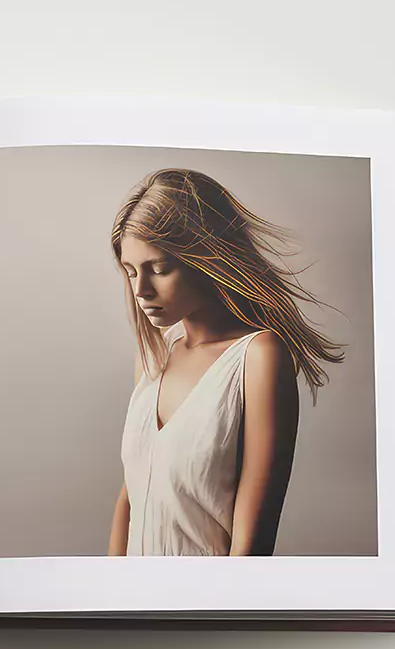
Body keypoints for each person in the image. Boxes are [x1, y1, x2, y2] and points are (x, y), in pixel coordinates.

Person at [106, 169, 343, 556]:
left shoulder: (259, 358)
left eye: (160, 268)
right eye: (130, 272)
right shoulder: (153, 359)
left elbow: (253, 541)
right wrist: (110, 602)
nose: (141, 290)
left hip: (205, 608)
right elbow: (130, 499)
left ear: (205, 256)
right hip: (133, 607)